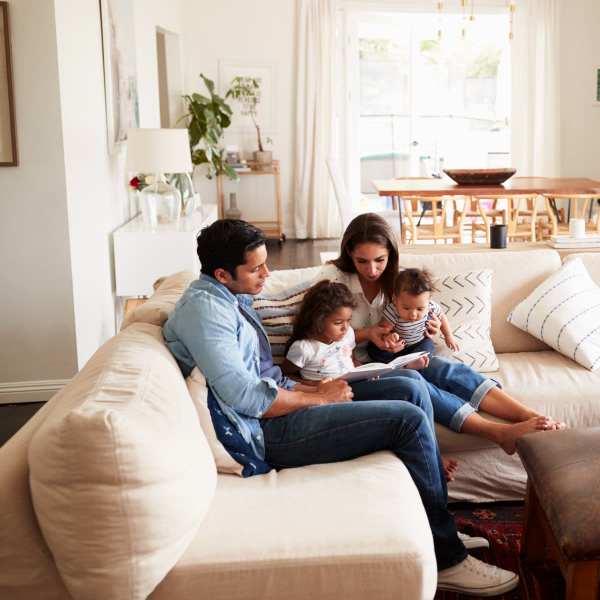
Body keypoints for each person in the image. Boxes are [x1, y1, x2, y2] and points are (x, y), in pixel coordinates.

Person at [163, 218, 519, 596]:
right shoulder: (207, 313)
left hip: (286, 398)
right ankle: (448, 559)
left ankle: (438, 526)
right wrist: (318, 396)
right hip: (265, 433)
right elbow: (248, 398)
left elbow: (263, 377)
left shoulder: (228, 296)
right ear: (221, 273)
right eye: (255, 268)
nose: (267, 273)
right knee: (410, 421)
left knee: (411, 384)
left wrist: (314, 385)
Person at [328, 213, 563, 454]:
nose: (372, 270)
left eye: (380, 260)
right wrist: (368, 334)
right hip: (357, 371)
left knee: (444, 368)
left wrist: (433, 329)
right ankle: (500, 434)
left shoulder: (398, 282)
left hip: (397, 358)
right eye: (362, 261)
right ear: (348, 254)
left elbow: (424, 313)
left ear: (391, 254)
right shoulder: (334, 282)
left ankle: (532, 416)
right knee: (418, 384)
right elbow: (319, 335)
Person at [367, 268, 458, 364]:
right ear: (395, 300)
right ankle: (401, 365)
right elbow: (382, 329)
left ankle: (414, 362)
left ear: (428, 300)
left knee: (428, 345)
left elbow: (442, 316)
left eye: (420, 309)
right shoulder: (393, 310)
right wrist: (388, 337)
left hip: (418, 344)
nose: (413, 315)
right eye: (406, 308)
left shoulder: (431, 306)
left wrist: (448, 335)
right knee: (372, 348)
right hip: (397, 348)